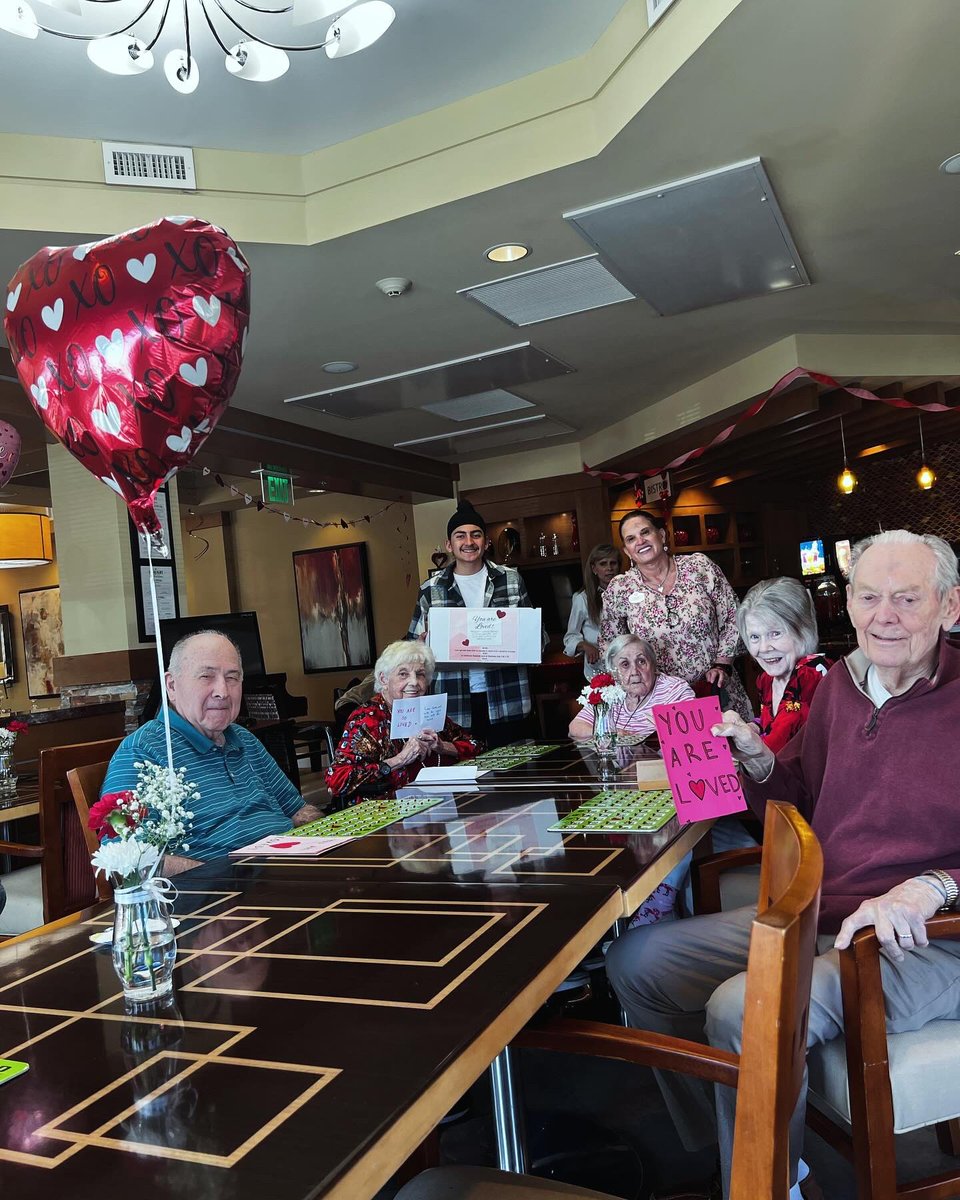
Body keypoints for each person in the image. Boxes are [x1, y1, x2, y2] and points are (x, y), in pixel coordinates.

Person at [605, 530, 960, 1200]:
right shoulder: (842, 690)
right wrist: (755, 758)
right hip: (822, 913)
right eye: (868, 597)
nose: (884, 616)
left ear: (949, 606)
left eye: (907, 599)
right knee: (637, 964)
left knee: (743, 1008)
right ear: (846, 604)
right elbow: (794, 792)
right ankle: (751, 1153)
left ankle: (763, 1185)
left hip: (927, 939)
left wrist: (934, 885)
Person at [102, 631, 322, 873]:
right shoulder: (142, 752)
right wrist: (222, 881)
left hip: (287, 874)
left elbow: (298, 810)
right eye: (206, 676)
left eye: (232, 678)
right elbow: (126, 857)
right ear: (172, 686)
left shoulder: (245, 740)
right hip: (221, 897)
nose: (223, 691)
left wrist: (326, 843)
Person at [407, 500, 538, 748]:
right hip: (454, 704)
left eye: (476, 535)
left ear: (486, 542)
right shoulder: (431, 590)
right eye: (460, 536)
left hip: (506, 696)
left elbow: (535, 636)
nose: (469, 542)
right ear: (449, 544)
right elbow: (411, 648)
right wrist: (422, 646)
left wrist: (526, 636)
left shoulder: (510, 579)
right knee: (464, 778)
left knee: (513, 771)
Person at [600, 509, 752, 720]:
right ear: (627, 551)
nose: (640, 541)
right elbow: (610, 646)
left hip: (715, 689)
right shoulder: (619, 588)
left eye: (646, 532)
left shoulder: (699, 567)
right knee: (666, 753)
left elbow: (734, 616)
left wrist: (722, 664)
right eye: (631, 539)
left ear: (661, 535)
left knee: (731, 749)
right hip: (657, 701)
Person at [326, 640, 482, 803]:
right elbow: (336, 780)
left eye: (420, 674)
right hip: (386, 809)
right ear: (383, 679)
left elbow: (477, 746)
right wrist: (399, 760)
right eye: (403, 674)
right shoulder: (367, 719)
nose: (414, 682)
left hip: (440, 801)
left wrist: (444, 747)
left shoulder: (428, 709)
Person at [737, 576, 831, 752]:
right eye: (755, 637)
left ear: (803, 631)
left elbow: (777, 751)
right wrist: (754, 726)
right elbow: (773, 725)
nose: (764, 648)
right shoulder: (766, 680)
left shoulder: (811, 673)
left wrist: (740, 736)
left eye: (775, 633)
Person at [568, 634, 693, 741]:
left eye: (641, 661)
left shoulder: (674, 690)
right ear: (614, 673)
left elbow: (692, 733)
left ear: (653, 665)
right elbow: (575, 727)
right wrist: (611, 733)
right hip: (621, 767)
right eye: (625, 664)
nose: (635, 671)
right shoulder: (609, 693)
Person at [563, 543, 621, 680]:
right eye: (603, 564)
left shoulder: (628, 594)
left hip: (628, 666)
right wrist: (585, 646)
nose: (609, 568)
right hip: (599, 669)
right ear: (594, 568)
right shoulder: (582, 598)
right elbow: (570, 637)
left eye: (613, 563)